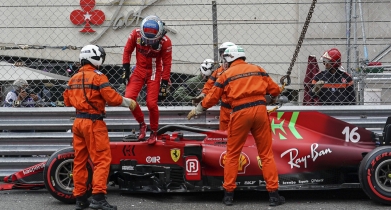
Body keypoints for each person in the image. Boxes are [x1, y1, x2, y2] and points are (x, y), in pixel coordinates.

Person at [187, 45, 285, 207]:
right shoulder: (258, 69)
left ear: (229, 59)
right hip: (260, 111)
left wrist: (199, 108)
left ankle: (228, 195)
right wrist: (272, 96)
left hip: (239, 112)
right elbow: (274, 90)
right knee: (266, 154)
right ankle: (274, 195)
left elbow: (212, 96)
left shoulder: (226, 74)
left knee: (232, 154)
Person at [64, 45, 137, 210]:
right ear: (95, 58)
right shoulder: (99, 76)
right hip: (94, 123)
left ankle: (81, 199)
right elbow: (111, 98)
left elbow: (67, 101)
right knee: (102, 160)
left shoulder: (73, 78)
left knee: (80, 161)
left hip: (78, 123)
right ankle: (98, 198)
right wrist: (129, 102)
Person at [122, 15, 172, 144]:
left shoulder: (165, 41)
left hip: (154, 71)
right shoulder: (136, 34)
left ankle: (154, 131)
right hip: (138, 70)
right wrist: (126, 69)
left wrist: (165, 83)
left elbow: (167, 63)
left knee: (151, 103)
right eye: (146, 39)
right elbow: (127, 51)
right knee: (129, 98)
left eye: (152, 40)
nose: (148, 43)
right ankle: (142, 125)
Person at [192, 42, 235, 131]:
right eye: (222, 54)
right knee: (224, 136)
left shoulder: (239, 70)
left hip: (238, 107)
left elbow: (214, 94)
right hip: (225, 108)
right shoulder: (218, 71)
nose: (223, 56)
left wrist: (201, 107)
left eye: (225, 54)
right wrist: (203, 94)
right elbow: (209, 85)